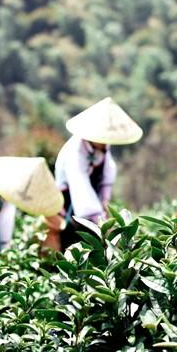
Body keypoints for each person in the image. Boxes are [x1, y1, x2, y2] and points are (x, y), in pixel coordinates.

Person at [51, 97, 142, 250]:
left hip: (92, 202)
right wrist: (99, 220)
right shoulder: (75, 152)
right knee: (77, 245)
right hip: (71, 204)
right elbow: (81, 189)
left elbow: (107, 174)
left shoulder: (102, 148)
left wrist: (105, 203)